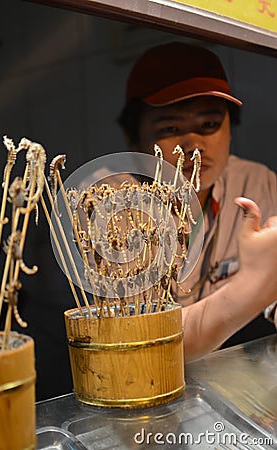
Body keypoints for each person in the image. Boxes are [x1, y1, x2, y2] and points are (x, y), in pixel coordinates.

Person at [117, 41, 277, 353]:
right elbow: (143, 344)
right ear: (133, 139)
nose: (193, 144)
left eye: (209, 124)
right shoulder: (108, 205)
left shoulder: (256, 182)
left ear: (231, 129)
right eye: (171, 126)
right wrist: (254, 285)